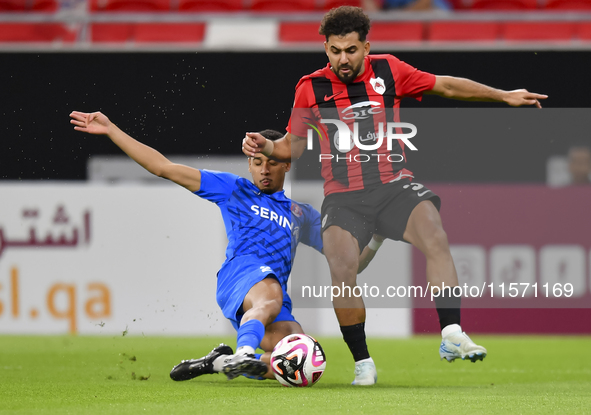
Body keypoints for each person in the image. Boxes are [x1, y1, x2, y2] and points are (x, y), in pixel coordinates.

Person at [242, 6, 548, 386]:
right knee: (343, 268)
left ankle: (451, 333)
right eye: (335, 50)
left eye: (351, 50)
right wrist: (268, 149)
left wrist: (503, 96)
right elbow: (295, 146)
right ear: (325, 48)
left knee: (435, 234)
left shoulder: (390, 70)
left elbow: (446, 85)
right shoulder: (310, 87)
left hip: (393, 186)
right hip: (344, 196)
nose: (343, 59)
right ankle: (363, 363)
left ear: (366, 47)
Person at [69, 110, 379, 383]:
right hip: (241, 275)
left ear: (286, 165)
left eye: (272, 163)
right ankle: (244, 350)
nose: (264, 170)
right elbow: (162, 167)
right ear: (249, 164)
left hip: (269, 300)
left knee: (297, 361)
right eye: (257, 163)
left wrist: (378, 237)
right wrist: (112, 130)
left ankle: (219, 362)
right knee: (271, 293)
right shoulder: (234, 189)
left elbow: (351, 264)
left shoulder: (302, 214)